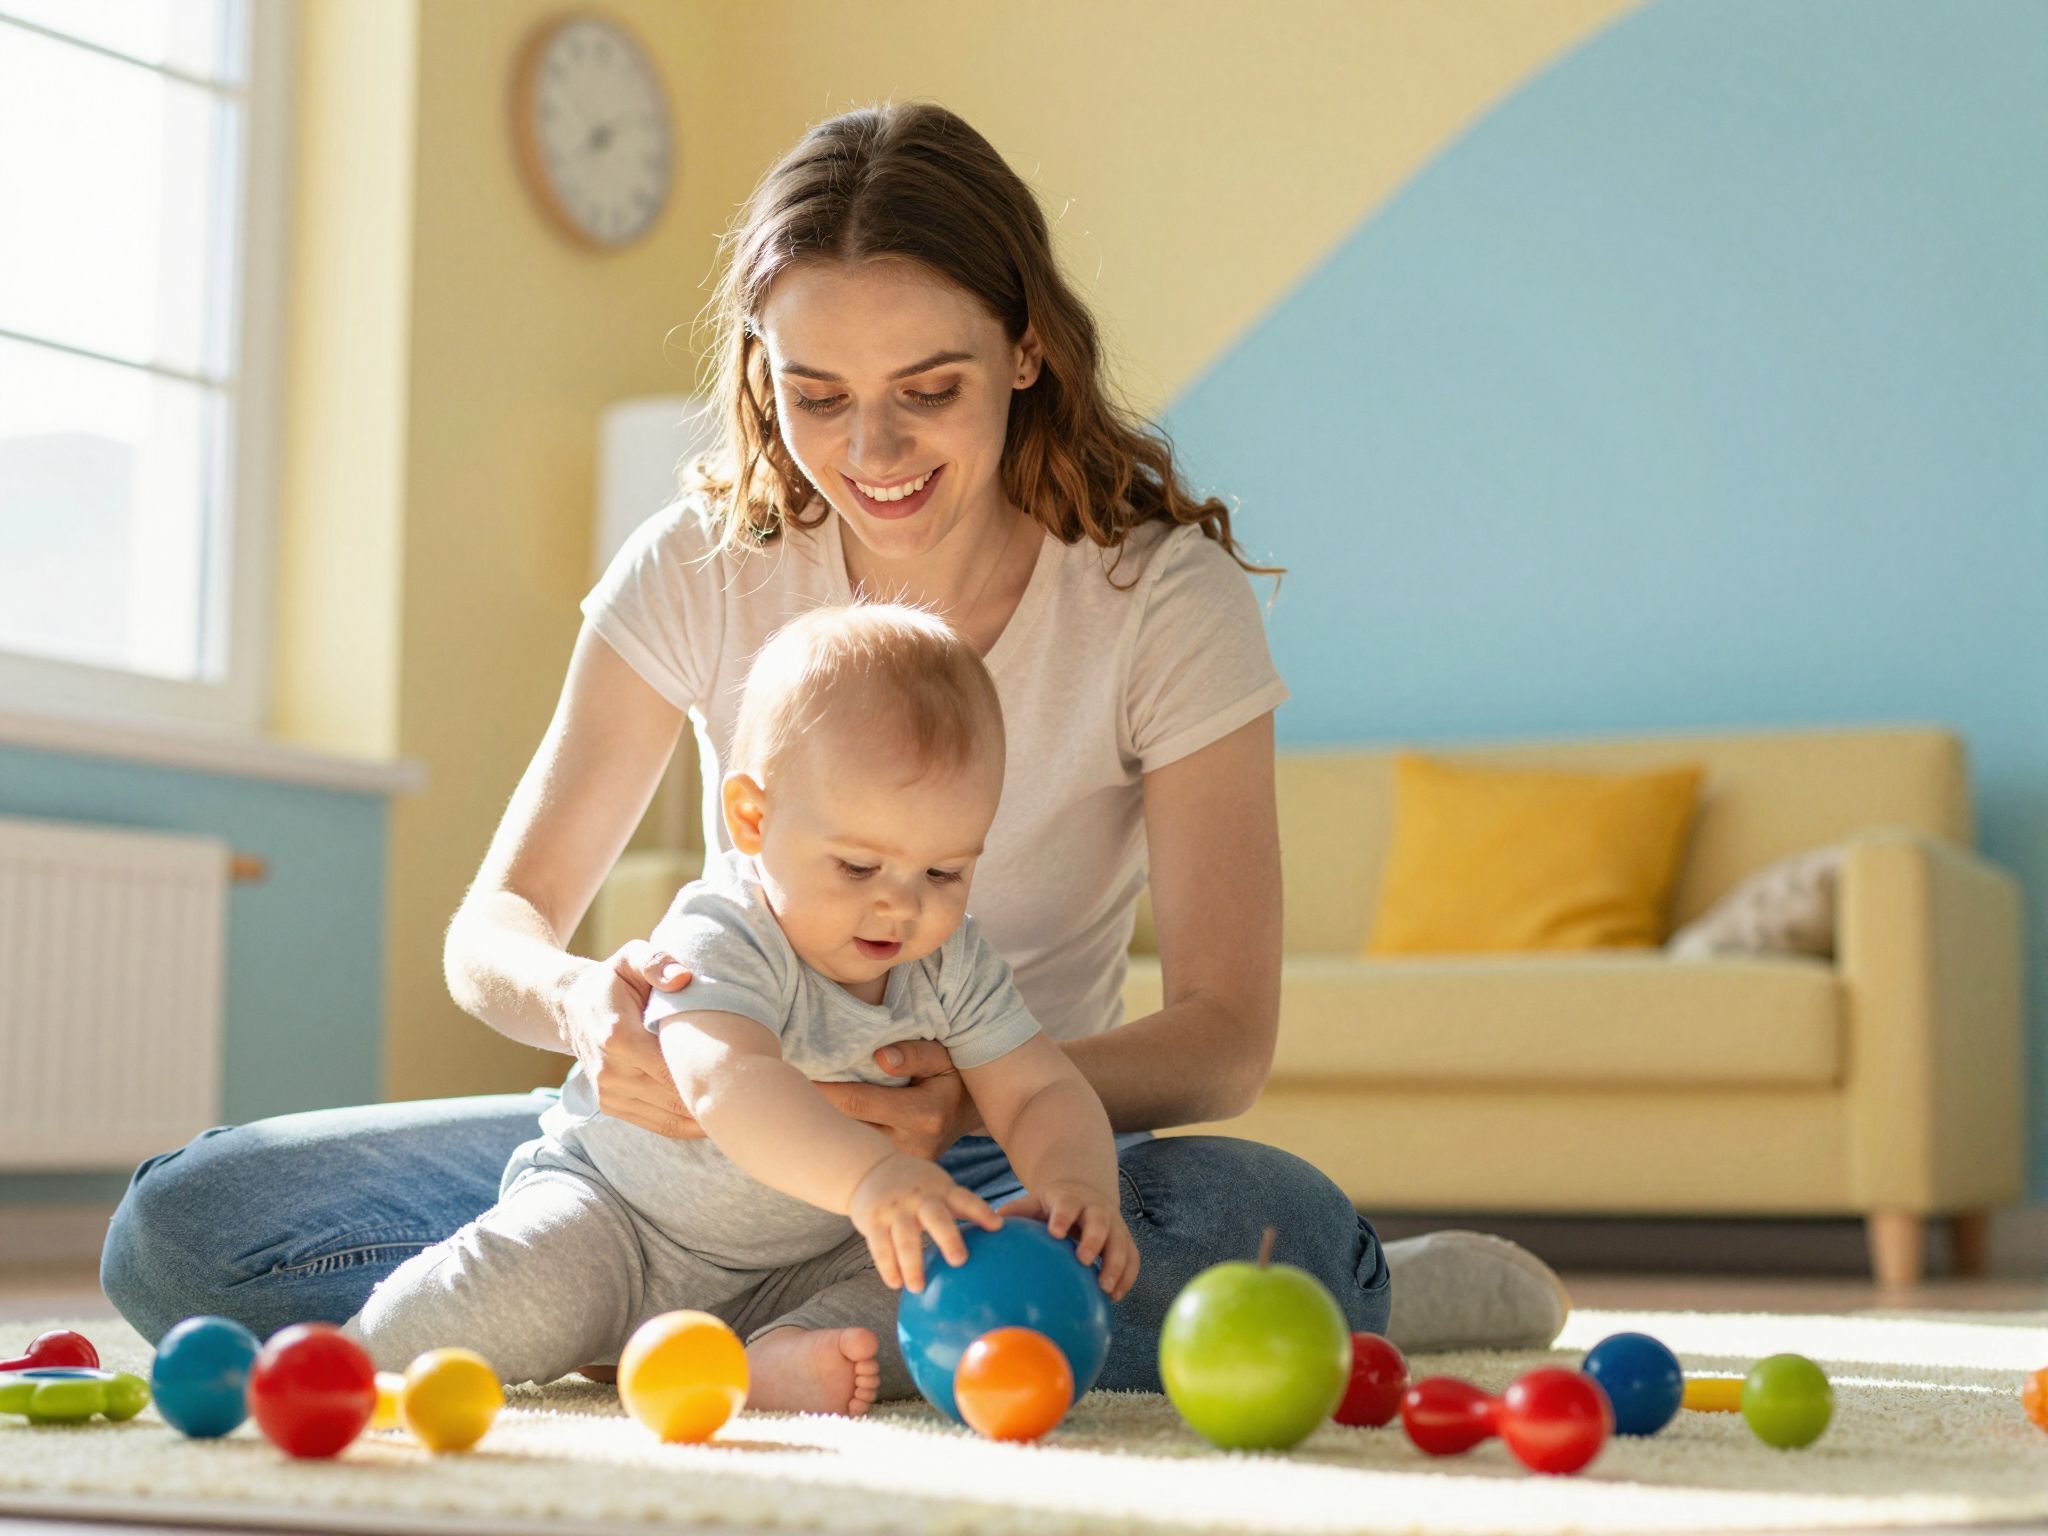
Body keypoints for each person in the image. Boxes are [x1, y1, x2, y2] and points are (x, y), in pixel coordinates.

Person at [100, 100, 1569, 1406]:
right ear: (762, 369)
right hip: (669, 1148)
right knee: (182, 1229)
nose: (871, 449)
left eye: (928, 387)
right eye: (815, 395)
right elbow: (493, 928)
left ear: (1026, 347)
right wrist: (588, 1019)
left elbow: (1226, 1033)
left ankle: (1350, 1284)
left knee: (1272, 1220)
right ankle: (706, 1320)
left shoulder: (1152, 597)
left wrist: (968, 1101)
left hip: (984, 1151)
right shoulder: (703, 562)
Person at [337, 604, 1137, 1415]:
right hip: (620, 1224)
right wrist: (873, 1178)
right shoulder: (724, 928)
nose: (901, 909)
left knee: (947, 1298)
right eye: (859, 867)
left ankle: (765, 1365)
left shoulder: (951, 960)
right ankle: (352, 1356)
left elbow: (1037, 1089)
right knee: (511, 1297)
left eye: (944, 874)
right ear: (752, 818)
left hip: (814, 1258)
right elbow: (730, 1082)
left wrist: (1078, 1188)